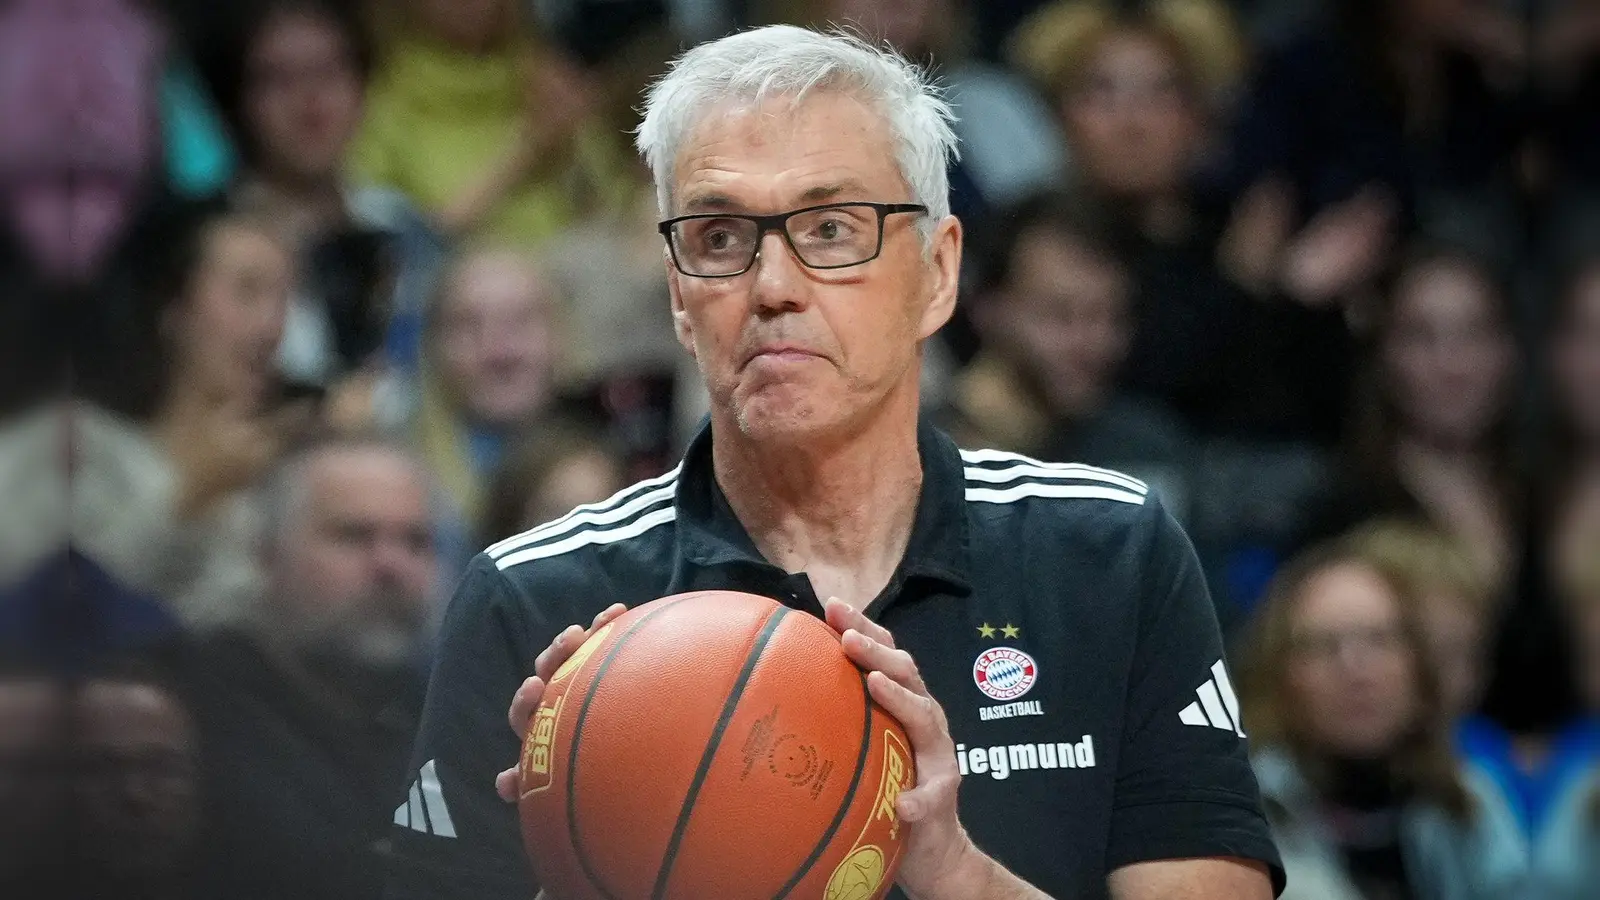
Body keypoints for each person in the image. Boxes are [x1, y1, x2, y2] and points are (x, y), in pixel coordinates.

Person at [387, 25, 1282, 900]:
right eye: (720, 238)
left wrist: (957, 878)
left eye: (831, 227)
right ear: (677, 298)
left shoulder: (1112, 551)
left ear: (938, 273)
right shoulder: (530, 597)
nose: (773, 284)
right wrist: (582, 862)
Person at [183, 438, 439, 900]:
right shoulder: (187, 719)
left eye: (415, 541)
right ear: (266, 553)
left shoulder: (442, 723)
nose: (391, 565)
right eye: (354, 536)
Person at [1239, 538, 1528, 900]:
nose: (1356, 670)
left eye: (1379, 639)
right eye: (1324, 645)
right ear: (1281, 674)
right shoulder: (1242, 813)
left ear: (1418, 666)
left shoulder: (1468, 804)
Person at [208, 0, 445, 387]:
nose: (309, 100)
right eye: (278, 78)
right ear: (238, 101)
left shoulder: (401, 225)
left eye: (329, 71)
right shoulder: (211, 243)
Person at [942, 191, 1190, 512]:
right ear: (987, 310)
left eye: (1113, 317)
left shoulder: (1143, 448)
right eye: (1060, 315)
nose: (1095, 345)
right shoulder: (921, 453)